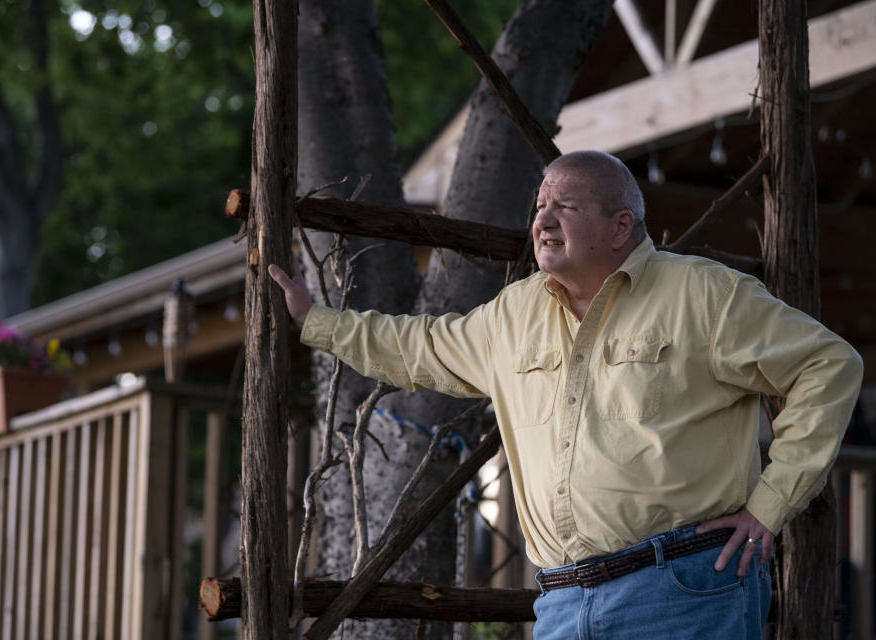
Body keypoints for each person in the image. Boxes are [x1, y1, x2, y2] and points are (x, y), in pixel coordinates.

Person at [269, 150, 863, 639]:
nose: (544, 218)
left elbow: (828, 364)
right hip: (560, 601)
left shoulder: (704, 295)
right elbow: (418, 347)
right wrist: (314, 321)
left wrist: (769, 505)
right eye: (540, 206)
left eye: (566, 206)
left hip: (682, 591)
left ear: (620, 226)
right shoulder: (515, 311)